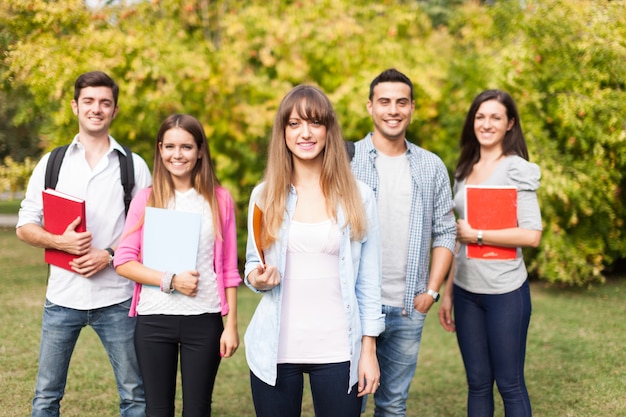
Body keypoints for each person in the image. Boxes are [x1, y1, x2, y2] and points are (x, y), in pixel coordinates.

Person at [244, 84, 385, 417]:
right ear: (283, 133)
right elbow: (254, 263)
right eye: (294, 124)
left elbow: (368, 282)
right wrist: (259, 278)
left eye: (314, 123)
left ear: (328, 130)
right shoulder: (263, 195)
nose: (305, 133)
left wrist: (369, 350)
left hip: (339, 350)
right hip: (276, 349)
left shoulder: (359, 196)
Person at [16, 70, 151, 417]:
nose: (96, 109)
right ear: (75, 106)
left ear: (115, 110)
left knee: (135, 396)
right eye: (89, 101)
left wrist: (107, 255)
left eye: (105, 103)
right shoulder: (53, 163)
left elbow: (146, 229)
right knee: (46, 396)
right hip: (62, 298)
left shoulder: (133, 167)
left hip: (118, 298)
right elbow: (24, 226)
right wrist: (59, 241)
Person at [114, 113, 241, 417]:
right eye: (170, 146)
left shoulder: (219, 200)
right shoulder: (146, 199)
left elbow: (228, 269)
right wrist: (170, 280)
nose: (177, 154)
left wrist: (232, 324)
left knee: (197, 410)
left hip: (204, 318)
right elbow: (123, 261)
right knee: (158, 410)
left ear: (199, 151)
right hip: (154, 318)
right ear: (160, 149)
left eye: (186, 146)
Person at [350, 68, 457, 417]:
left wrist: (432, 292)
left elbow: (446, 231)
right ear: (370, 107)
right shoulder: (346, 162)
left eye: (401, 102)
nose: (392, 110)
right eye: (384, 102)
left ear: (412, 108)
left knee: (393, 405)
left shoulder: (431, 166)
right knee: (346, 404)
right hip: (352, 307)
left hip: (408, 308)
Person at [438, 90, 542, 417]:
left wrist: (479, 235)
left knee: (509, 384)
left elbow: (532, 234)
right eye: (480, 117)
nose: (486, 124)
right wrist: (450, 292)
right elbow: (458, 238)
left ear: (510, 124)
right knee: (478, 384)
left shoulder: (516, 169)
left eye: (495, 117)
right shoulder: (464, 169)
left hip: (505, 292)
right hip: (468, 293)